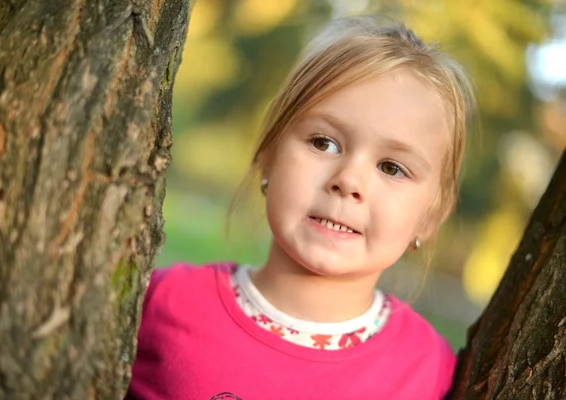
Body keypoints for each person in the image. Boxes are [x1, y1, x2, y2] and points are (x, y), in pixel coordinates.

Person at [126, 14, 475, 400]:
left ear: (430, 217)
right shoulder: (160, 302)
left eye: (392, 168)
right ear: (268, 155)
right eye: (324, 143)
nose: (349, 181)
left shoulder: (430, 373)